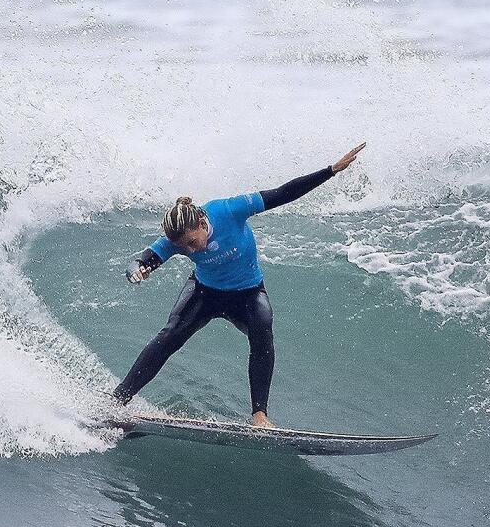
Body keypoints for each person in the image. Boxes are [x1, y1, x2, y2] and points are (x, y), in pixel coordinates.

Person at [112, 142, 366, 428]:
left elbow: (283, 193)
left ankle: (259, 416)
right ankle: (117, 401)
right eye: (184, 248)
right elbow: (143, 259)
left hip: (247, 292)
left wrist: (331, 170)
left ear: (199, 221)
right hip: (205, 293)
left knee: (262, 329)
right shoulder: (177, 240)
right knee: (170, 334)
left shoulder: (229, 210)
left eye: (192, 243)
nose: (191, 251)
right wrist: (137, 271)